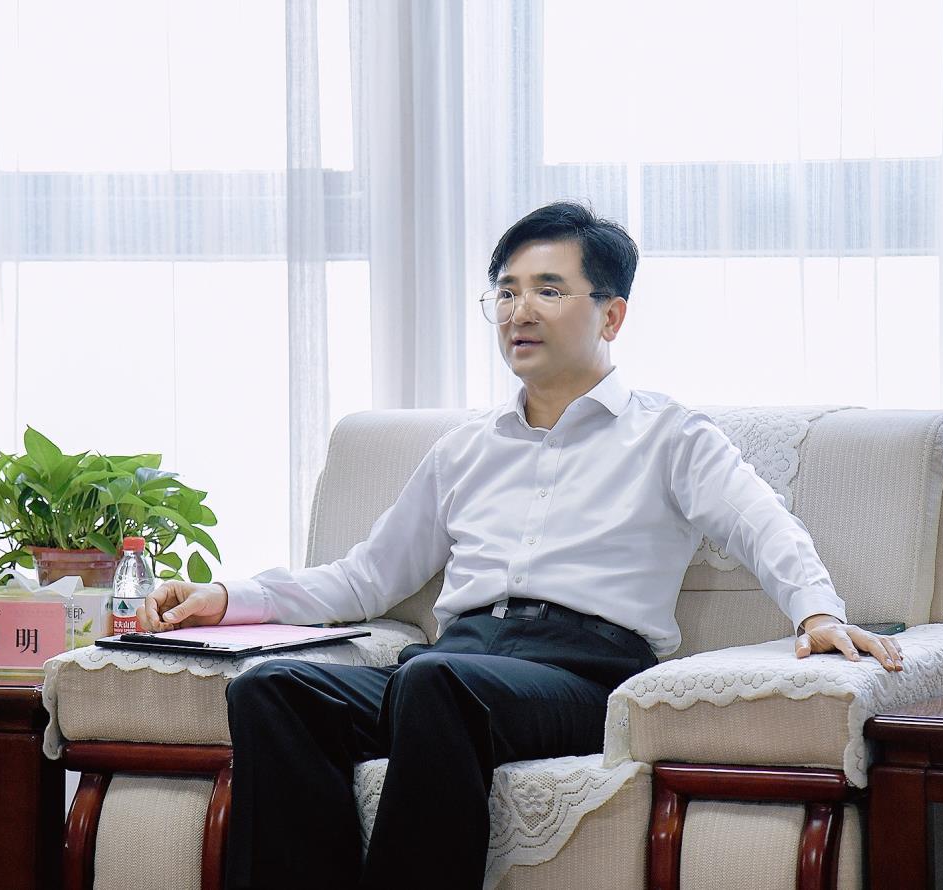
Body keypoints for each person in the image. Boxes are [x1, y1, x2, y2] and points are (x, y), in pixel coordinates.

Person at [138, 201, 904, 890]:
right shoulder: (465, 448)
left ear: (611, 316)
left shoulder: (669, 435)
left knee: (436, 681)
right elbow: (365, 577)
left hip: (578, 679)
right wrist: (226, 598)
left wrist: (816, 613)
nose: (519, 311)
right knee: (272, 690)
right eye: (505, 292)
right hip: (451, 673)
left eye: (547, 289)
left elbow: (762, 525)